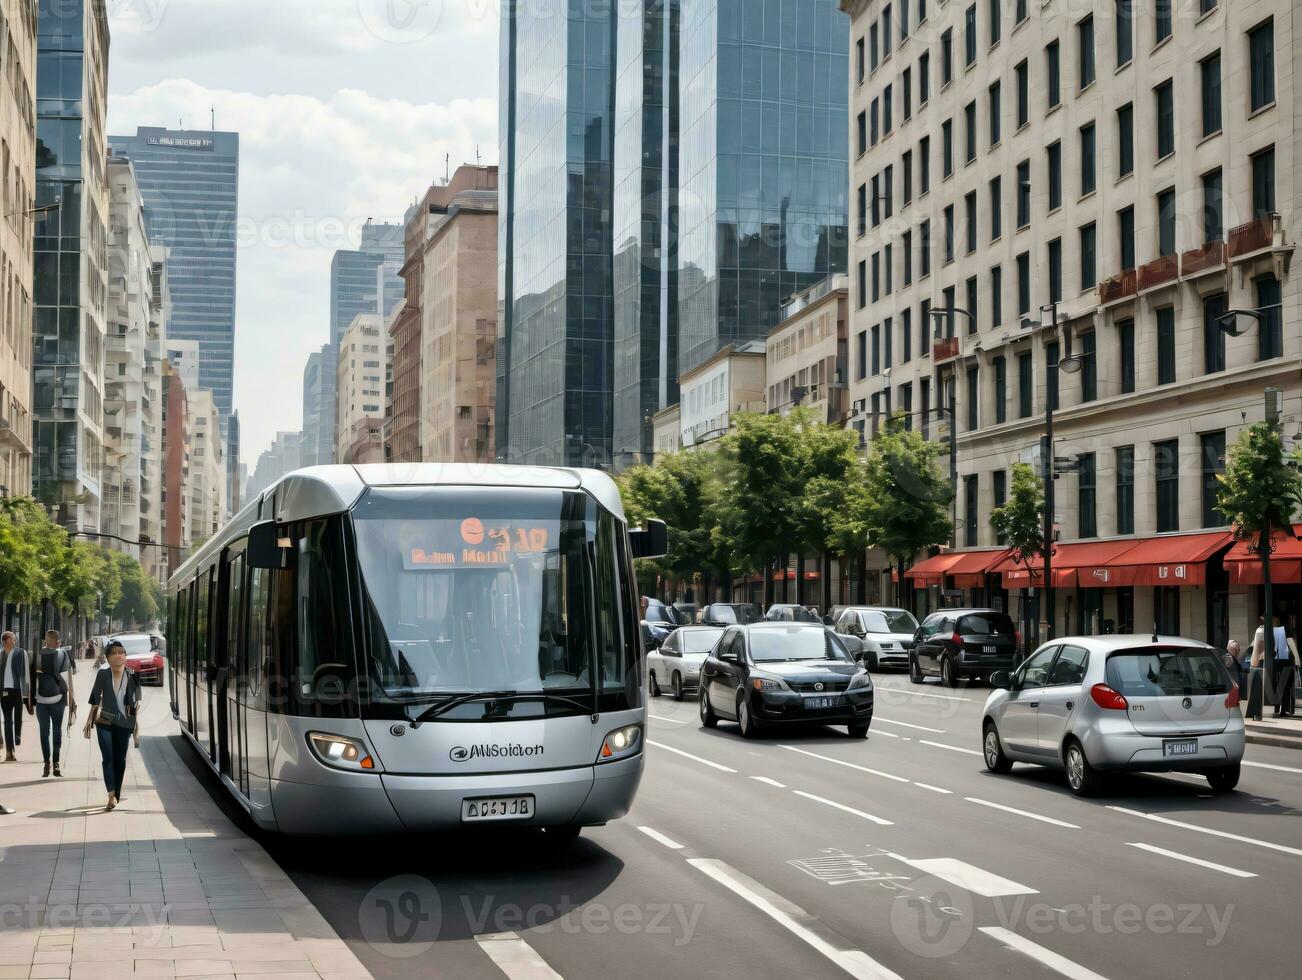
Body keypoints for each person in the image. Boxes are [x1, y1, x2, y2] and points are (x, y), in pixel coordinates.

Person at [83, 640, 141, 811]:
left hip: (125, 723)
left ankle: (117, 793)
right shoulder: (102, 675)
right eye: (114, 653)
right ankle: (111, 795)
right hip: (104, 721)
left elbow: (138, 701)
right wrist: (89, 720)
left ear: (125, 656)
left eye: (121, 652)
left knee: (120, 760)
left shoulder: (133, 675)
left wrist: (137, 727)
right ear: (108, 658)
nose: (118, 655)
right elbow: (95, 699)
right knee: (108, 758)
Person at [28, 630, 76, 778]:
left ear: (46, 641)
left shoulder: (35, 656)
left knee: (44, 732)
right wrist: (71, 698)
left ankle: (46, 763)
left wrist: (28, 700)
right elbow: (69, 677)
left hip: (41, 700)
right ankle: (56, 763)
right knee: (57, 730)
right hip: (59, 698)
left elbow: (30, 678)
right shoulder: (64, 655)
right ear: (56, 642)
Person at [1, 631, 31, 762]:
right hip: (3, 691)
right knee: (8, 721)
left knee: (18, 718)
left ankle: (17, 737)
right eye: (13, 639)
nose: (15, 641)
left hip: (17, 690)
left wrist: (28, 693)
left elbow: (26, 673)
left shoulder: (21, 652)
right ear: (6, 640)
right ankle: (9, 752)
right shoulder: (0, 654)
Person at [1247, 617, 1267, 722]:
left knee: (1257, 691)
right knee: (1257, 691)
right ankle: (1256, 713)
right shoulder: (1261, 631)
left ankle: (1256, 714)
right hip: (1260, 663)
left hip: (1257, 663)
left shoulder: (1259, 630)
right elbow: (1260, 648)